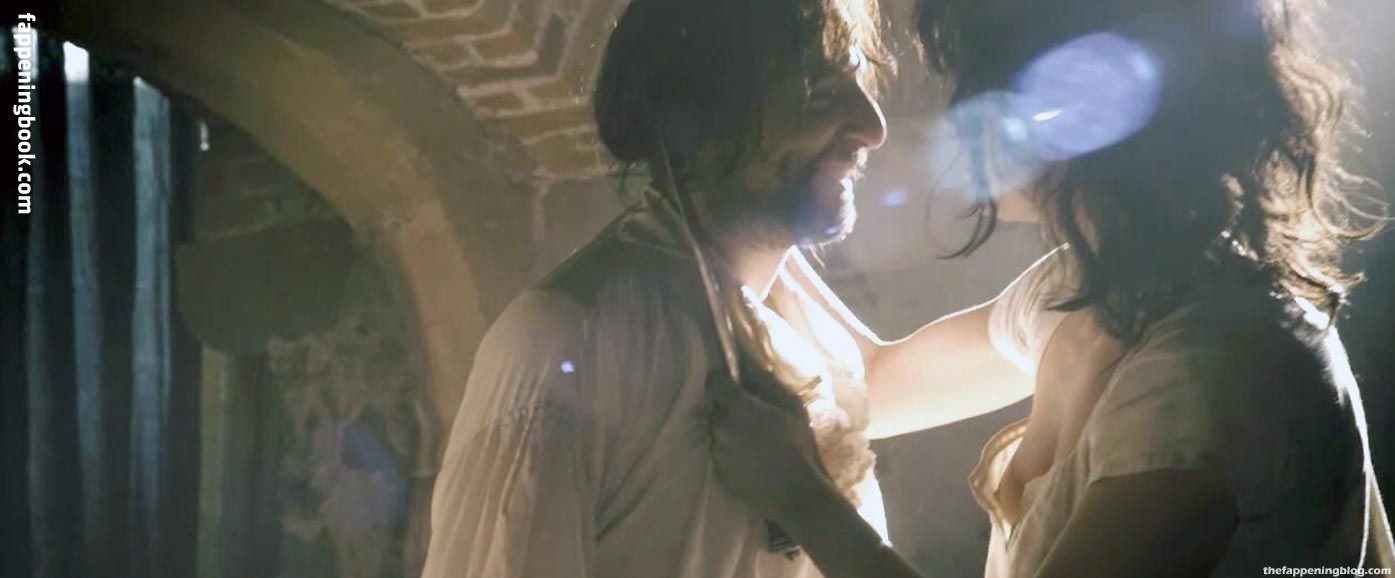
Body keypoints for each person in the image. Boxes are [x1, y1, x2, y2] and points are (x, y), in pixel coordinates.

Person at [706, 0, 1395, 576]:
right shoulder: (1097, 288)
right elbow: (874, 385)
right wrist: (745, 206)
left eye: (979, 84)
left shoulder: (1204, 384)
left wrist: (805, 501)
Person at [419, 0, 899, 576]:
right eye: (818, 96)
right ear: (703, 124)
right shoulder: (570, 340)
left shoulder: (807, 332)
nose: (873, 129)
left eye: (857, 83)